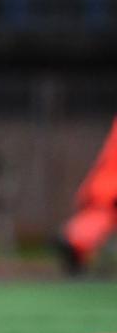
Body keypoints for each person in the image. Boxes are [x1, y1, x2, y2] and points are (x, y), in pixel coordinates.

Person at [56, 116, 117, 275]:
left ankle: (74, 242)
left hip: (104, 192)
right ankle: (74, 242)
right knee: (98, 217)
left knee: (97, 216)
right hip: (106, 193)